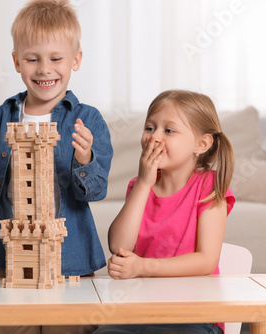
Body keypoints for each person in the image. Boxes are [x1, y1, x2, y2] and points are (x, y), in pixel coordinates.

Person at [0, 1, 112, 333]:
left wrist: (84, 160)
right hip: (6, 257)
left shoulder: (86, 120)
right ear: (17, 61)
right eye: (33, 59)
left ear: (76, 59)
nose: (44, 69)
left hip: (70, 258)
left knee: (68, 328)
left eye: (56, 58)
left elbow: (97, 189)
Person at [94, 90, 235, 334]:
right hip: (136, 313)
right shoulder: (139, 187)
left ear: (201, 144)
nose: (154, 137)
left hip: (194, 316)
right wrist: (143, 184)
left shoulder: (209, 187)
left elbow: (206, 260)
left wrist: (143, 267)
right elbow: (119, 245)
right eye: (150, 128)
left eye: (168, 131)